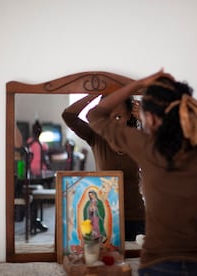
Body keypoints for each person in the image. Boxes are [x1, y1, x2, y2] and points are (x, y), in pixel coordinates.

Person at [87, 70, 197, 275]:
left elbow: (94, 115)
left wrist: (138, 84)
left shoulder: (145, 146)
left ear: (153, 119)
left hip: (158, 261)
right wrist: (194, 120)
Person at [62, 94, 146, 241]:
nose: (112, 121)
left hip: (135, 216)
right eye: (107, 115)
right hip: (105, 216)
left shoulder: (138, 136)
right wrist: (95, 93)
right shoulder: (95, 135)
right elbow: (68, 116)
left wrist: (144, 119)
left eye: (118, 116)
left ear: (130, 114)